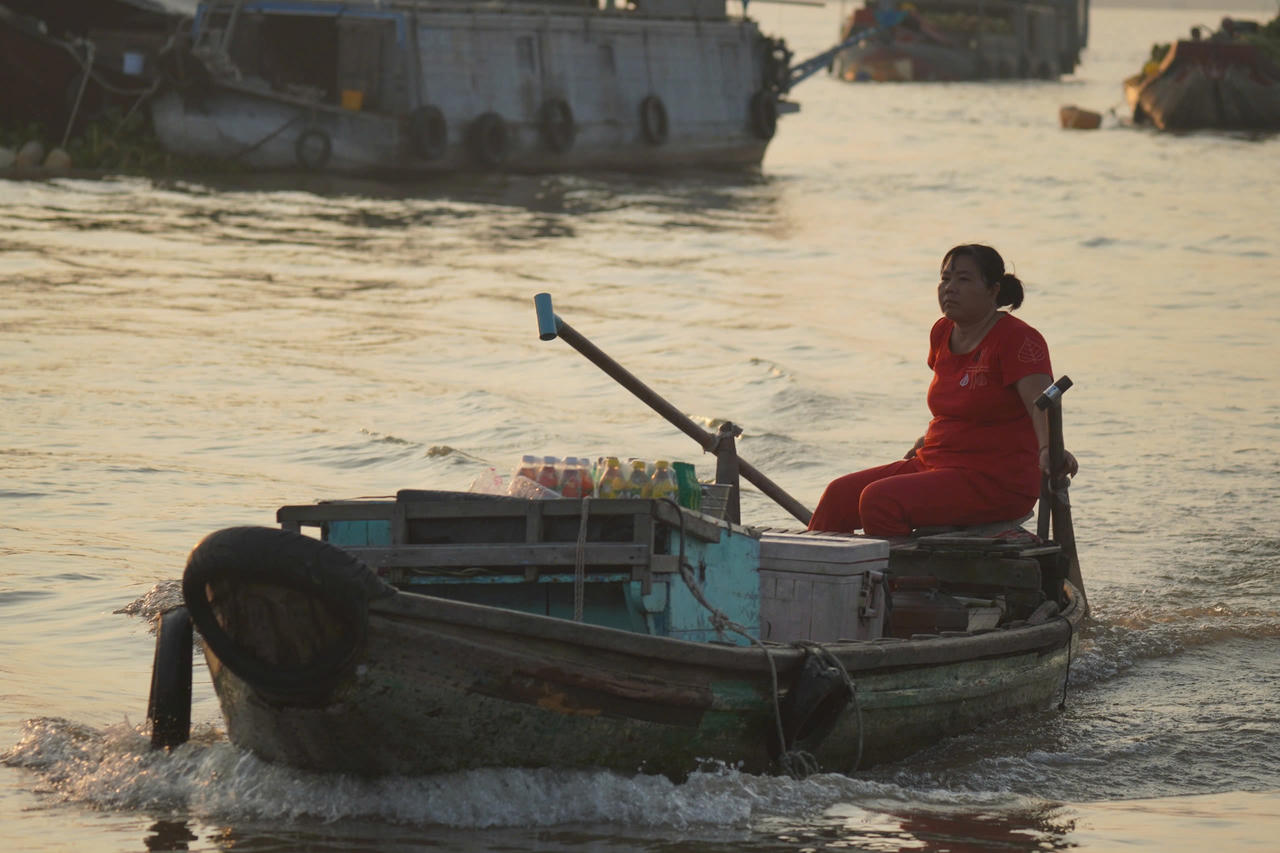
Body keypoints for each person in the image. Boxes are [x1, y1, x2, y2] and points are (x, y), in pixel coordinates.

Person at [808, 244, 1078, 537]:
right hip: (936, 462)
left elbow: (1042, 404)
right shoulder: (941, 332)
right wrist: (932, 438)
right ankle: (807, 574)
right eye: (945, 279)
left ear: (993, 290)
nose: (950, 288)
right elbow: (956, 406)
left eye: (963, 279)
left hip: (995, 480)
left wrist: (1048, 449)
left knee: (879, 500)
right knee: (838, 496)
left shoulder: (1019, 339)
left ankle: (898, 581)